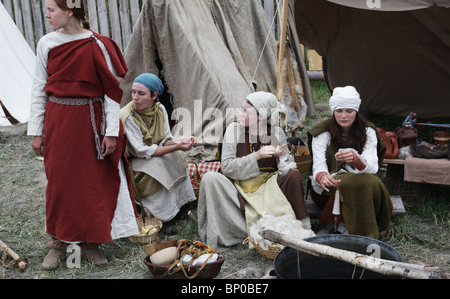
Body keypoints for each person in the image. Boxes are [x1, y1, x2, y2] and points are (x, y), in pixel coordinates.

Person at [27, 0, 139, 269]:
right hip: (58, 122)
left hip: (91, 123)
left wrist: (111, 131)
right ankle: (59, 243)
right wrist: (37, 130)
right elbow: (39, 88)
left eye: (52, 10)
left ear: (69, 11)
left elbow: (113, 93)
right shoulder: (46, 43)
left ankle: (91, 242)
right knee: (61, 183)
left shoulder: (98, 44)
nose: (48, 15)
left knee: (91, 184)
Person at [197, 91, 310, 251]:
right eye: (241, 109)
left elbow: (285, 168)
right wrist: (256, 156)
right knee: (210, 178)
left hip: (268, 187)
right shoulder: (233, 130)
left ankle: (300, 228)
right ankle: (240, 229)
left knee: (293, 175)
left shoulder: (276, 132)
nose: (240, 113)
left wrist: (283, 157)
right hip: (238, 187)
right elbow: (227, 168)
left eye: (246, 111)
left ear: (261, 116)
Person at [307, 85, 393, 237]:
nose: (344, 116)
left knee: (359, 182)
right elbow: (318, 165)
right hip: (328, 190)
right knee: (348, 182)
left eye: (349, 111)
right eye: (339, 111)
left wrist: (356, 160)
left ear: (356, 111)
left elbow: (372, 165)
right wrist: (322, 176)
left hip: (360, 184)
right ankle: (339, 227)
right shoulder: (322, 133)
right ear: (333, 111)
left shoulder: (368, 131)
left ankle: (335, 227)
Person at [120, 73, 197, 235]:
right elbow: (140, 151)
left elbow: (165, 139)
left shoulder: (160, 109)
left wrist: (179, 143)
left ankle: (178, 207)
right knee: (157, 166)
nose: (135, 98)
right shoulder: (128, 117)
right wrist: (176, 147)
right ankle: (162, 217)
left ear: (154, 96)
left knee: (176, 157)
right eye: (133, 92)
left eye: (141, 94)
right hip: (134, 161)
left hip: (151, 154)